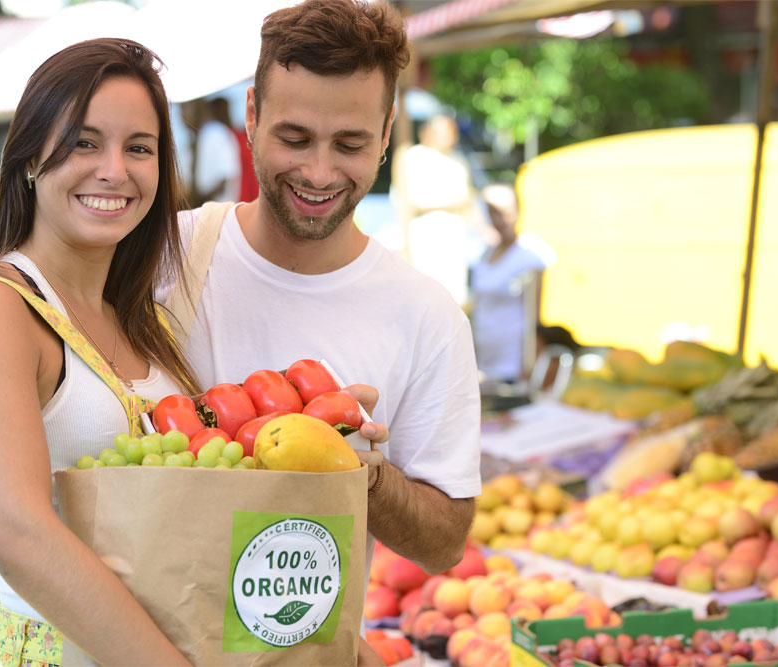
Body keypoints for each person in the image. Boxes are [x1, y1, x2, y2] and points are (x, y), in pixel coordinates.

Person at [0, 37, 389, 666]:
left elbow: (195, 509)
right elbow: (18, 531)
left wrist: (313, 632)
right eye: (84, 142)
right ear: (30, 157)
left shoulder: (141, 325)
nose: (114, 169)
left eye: (139, 148)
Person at [163, 0, 480, 583]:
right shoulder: (161, 261)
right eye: (295, 137)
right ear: (253, 116)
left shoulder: (427, 317)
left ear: (386, 134)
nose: (318, 172)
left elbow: (444, 544)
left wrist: (358, 468)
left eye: (350, 144)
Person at [394, 114, 487, 305]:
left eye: (452, 133)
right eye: (444, 133)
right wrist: (452, 204)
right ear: (427, 134)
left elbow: (469, 200)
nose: (450, 138)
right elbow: (409, 203)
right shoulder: (413, 157)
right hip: (424, 241)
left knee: (452, 301)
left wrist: (484, 230)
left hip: (453, 244)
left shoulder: (459, 160)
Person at [469, 183, 556, 384]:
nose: (500, 219)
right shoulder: (485, 255)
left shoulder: (529, 255)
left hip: (513, 362)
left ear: (518, 210)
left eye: (505, 212)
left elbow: (535, 315)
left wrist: (531, 363)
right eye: (493, 212)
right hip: (485, 360)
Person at [193, 96, 241, 205]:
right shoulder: (212, 132)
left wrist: (203, 200)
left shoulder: (215, 132)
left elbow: (226, 175)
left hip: (217, 205)